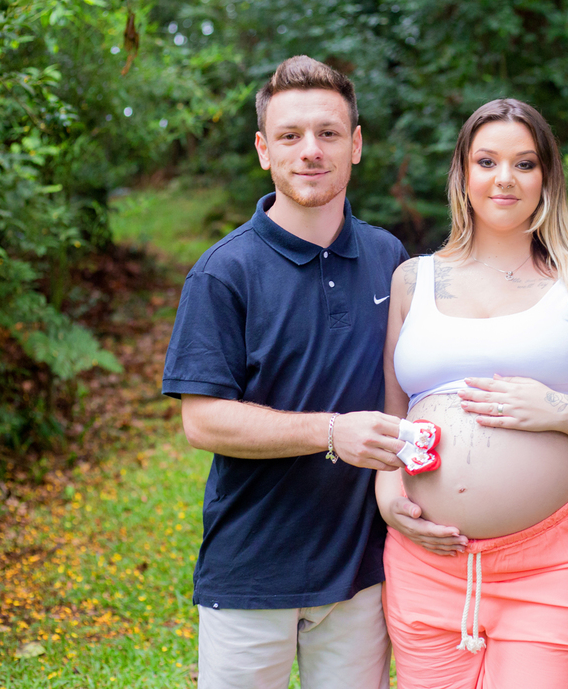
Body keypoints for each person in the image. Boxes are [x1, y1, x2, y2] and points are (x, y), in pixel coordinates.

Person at [375, 98, 568, 689]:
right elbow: (392, 417)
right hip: (429, 564)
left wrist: (561, 411)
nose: (504, 178)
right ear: (463, 175)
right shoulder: (412, 281)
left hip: (557, 564)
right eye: (487, 161)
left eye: (525, 163)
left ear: (547, 179)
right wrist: (386, 494)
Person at [162, 56, 409, 689]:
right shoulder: (224, 272)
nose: (311, 151)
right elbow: (203, 421)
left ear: (355, 145)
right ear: (263, 150)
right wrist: (332, 432)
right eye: (290, 136)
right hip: (251, 571)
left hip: (361, 571)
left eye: (328, 133)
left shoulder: (390, 258)